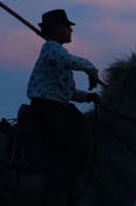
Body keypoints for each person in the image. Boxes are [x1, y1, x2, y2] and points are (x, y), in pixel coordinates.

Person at [23, 9, 100, 183]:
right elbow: (69, 62)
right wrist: (90, 68)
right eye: (67, 26)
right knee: (72, 144)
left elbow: (69, 92)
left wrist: (89, 97)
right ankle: (56, 184)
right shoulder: (51, 48)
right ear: (57, 29)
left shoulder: (58, 53)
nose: (71, 30)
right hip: (47, 107)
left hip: (57, 105)